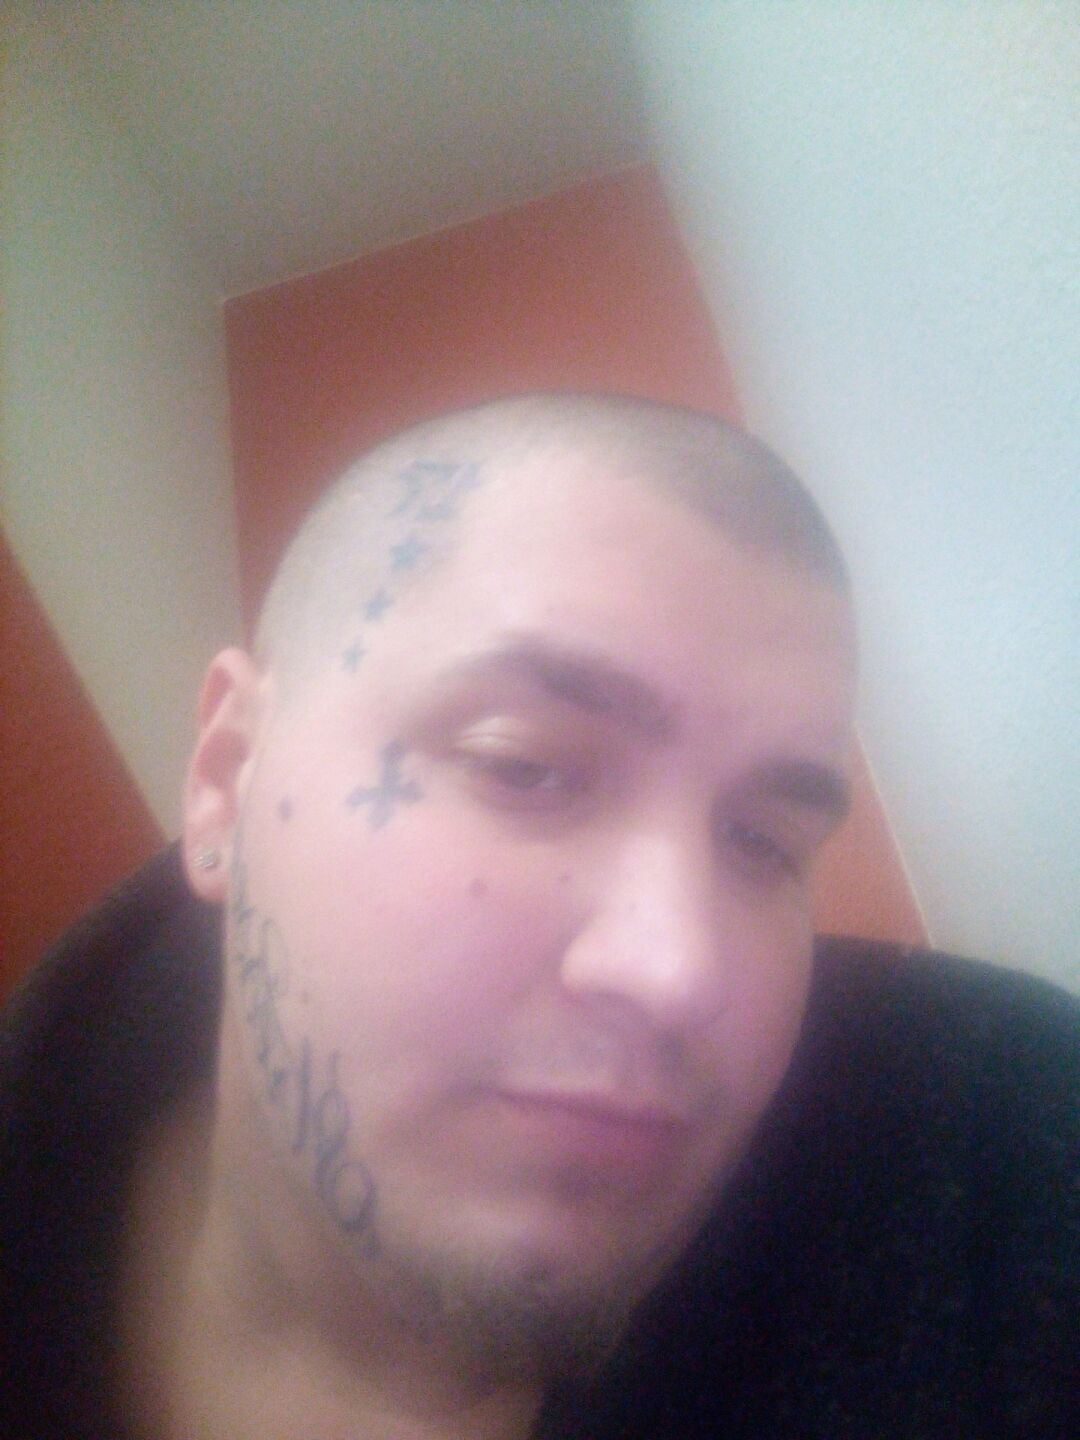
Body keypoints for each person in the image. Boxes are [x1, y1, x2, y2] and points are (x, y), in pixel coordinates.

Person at [2, 394, 1076, 1439]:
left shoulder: (1001, 1151)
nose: (679, 971)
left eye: (764, 843)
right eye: (523, 767)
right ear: (227, 779)